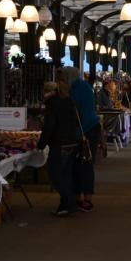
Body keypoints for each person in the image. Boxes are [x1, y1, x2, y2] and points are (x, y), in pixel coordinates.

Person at [37, 81, 80, 216]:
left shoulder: (52, 104)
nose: (43, 95)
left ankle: (69, 203)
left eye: (44, 92)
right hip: (72, 142)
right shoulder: (68, 101)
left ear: (49, 92)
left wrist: (41, 144)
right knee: (66, 175)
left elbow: (49, 126)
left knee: (55, 175)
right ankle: (66, 205)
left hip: (59, 144)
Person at [61, 66, 101, 212]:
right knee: (78, 165)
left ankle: (86, 200)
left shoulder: (78, 88)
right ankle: (78, 198)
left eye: (63, 78)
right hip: (86, 129)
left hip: (87, 131)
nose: (61, 81)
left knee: (85, 164)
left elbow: (73, 107)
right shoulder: (81, 86)